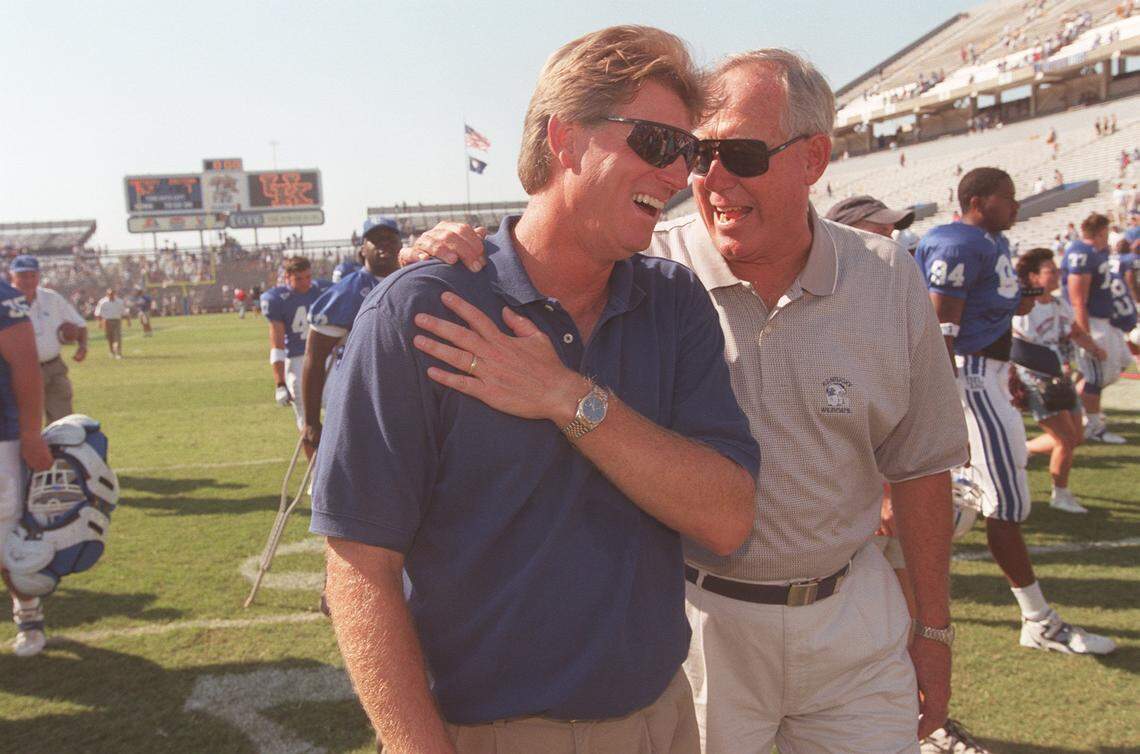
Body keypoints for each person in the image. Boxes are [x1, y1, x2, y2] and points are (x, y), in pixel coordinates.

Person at [410, 48, 968, 754]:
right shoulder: (646, 266)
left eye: (742, 154)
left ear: (814, 158)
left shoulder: (886, 276)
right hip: (697, 622)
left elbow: (921, 466)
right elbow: (542, 247)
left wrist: (933, 628)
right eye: (698, 154)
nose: (710, 178)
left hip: (850, 614)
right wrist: (453, 251)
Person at [312, 26, 760, 754]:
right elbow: (360, 565)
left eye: (688, 150)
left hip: (663, 721)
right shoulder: (421, 309)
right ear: (565, 138)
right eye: (656, 142)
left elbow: (728, 519)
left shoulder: (673, 302)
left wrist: (568, 399)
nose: (679, 172)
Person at [915, 168, 1116, 657]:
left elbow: (996, 309)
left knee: (986, 500)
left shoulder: (991, 242)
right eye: (1007, 198)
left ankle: (907, 570)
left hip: (988, 374)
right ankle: (1038, 621)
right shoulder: (957, 244)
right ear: (978, 201)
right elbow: (941, 328)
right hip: (969, 377)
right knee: (1004, 506)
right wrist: (945, 401)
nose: (1017, 205)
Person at [826, 195, 990, 754]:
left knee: (910, 613)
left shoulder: (892, 294)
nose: (894, 242)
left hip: (894, 486)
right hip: (854, 505)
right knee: (876, 623)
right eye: (881, 230)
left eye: (895, 232)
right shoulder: (824, 305)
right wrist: (885, 492)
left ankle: (919, 722)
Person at [1011, 248, 1104, 513]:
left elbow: (1075, 331)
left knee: (1076, 437)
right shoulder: (1022, 309)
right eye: (1050, 271)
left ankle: (1024, 448)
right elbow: (1016, 348)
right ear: (1034, 277)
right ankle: (1060, 495)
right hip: (1035, 380)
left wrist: (1094, 348)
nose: (1057, 274)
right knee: (1065, 438)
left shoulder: (1059, 304)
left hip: (1059, 379)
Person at [302, 217, 401, 459]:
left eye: (390, 238)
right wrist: (312, 421)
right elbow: (314, 359)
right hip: (360, 398)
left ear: (400, 244)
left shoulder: (414, 279)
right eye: (376, 239)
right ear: (362, 249)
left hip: (407, 396)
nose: (384, 244)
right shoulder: (347, 292)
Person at [0, 276, 54, 657]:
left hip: (1, 435)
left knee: (5, 538)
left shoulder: (4, 298)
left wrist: (31, 432)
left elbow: (25, 365)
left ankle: (28, 612)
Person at [1060, 213, 1129, 443]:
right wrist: (1086, 336)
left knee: (1118, 362)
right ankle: (1093, 427)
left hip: (1104, 320)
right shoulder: (1081, 252)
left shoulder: (1095, 252)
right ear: (1101, 232)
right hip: (1091, 321)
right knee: (1097, 375)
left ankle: (1078, 404)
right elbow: (1078, 299)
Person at [8, 256, 88, 422]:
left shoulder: (51, 298)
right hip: (17, 370)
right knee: (23, 422)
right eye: (23, 276)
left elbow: (79, 324)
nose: (28, 280)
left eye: (32, 275)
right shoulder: (5, 301)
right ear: (12, 276)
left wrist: (82, 346)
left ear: (39, 275)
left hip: (53, 367)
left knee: (63, 421)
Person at [259, 257, 329, 433]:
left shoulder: (323, 290)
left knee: (338, 413)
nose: (305, 283)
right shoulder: (277, 299)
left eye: (308, 277)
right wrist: (280, 384)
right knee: (307, 426)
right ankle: (311, 451)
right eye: (298, 279)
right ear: (287, 278)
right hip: (297, 362)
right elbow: (277, 345)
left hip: (325, 357)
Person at [94, 289, 125, 359]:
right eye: (110, 294)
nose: (111, 295)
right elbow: (97, 313)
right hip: (106, 321)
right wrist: (99, 322)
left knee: (117, 337)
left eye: (112, 294)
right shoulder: (102, 302)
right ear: (107, 294)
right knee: (110, 337)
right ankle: (111, 351)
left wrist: (127, 319)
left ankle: (118, 353)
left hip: (117, 321)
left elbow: (123, 311)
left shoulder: (119, 301)